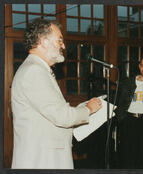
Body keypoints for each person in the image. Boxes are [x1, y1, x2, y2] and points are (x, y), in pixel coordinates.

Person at [11, 19, 102, 169]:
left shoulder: (38, 69)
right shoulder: (34, 71)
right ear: (44, 41)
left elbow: (51, 113)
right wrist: (89, 109)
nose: (64, 46)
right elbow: (62, 116)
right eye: (59, 40)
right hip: (42, 159)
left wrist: (81, 109)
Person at [115, 56, 143, 169]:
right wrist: (122, 119)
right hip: (130, 120)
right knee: (129, 155)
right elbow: (120, 101)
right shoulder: (129, 81)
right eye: (142, 66)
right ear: (139, 66)